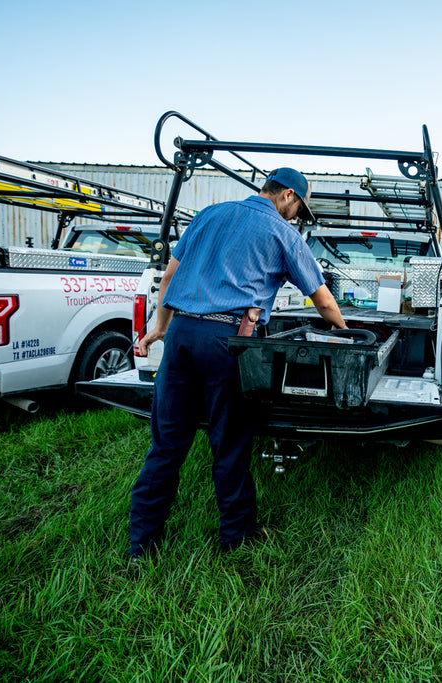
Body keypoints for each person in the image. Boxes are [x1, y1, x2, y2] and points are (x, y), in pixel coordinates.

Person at [130, 167, 347, 559]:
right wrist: (345, 334)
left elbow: (168, 280)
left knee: (165, 446)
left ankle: (141, 545)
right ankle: (237, 540)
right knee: (228, 444)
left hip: (180, 336)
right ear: (286, 197)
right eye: (299, 209)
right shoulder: (284, 234)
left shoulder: (208, 215)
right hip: (228, 344)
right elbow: (322, 299)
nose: (298, 217)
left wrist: (159, 330)